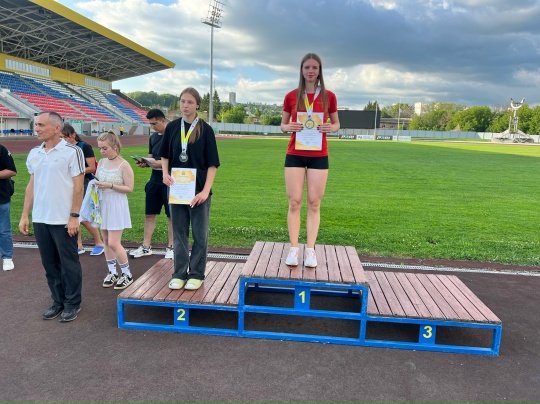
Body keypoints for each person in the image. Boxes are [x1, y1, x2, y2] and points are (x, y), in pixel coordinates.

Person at [19, 111, 85, 322]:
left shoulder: (72, 152)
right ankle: (58, 301)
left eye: (41, 125)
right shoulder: (34, 153)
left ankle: (72, 303)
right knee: (49, 264)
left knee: (68, 263)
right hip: (40, 218)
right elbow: (31, 185)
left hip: (63, 219)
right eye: (35, 125)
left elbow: (78, 186)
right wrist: (25, 215)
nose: (36, 128)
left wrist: (74, 216)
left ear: (57, 128)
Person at [280, 53, 340, 268]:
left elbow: (336, 124)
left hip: (319, 155)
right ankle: (294, 248)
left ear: (319, 70)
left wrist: (330, 127)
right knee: (294, 202)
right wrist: (289, 127)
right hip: (295, 153)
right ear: (302, 70)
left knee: (314, 203)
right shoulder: (291, 96)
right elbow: (283, 125)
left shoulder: (329, 96)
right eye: (307, 67)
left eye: (315, 67)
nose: (311, 71)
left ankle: (311, 250)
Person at [160, 87, 220, 291]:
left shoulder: (205, 130)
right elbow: (165, 155)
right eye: (182, 101)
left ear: (197, 105)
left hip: (199, 191)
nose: (185, 105)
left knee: (199, 235)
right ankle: (179, 273)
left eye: (190, 102)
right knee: (179, 234)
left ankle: (196, 274)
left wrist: (205, 191)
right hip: (177, 189)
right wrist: (165, 173)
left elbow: (212, 164)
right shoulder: (172, 127)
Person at [130, 109, 174, 259]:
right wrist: (145, 163)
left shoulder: (173, 136)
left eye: (154, 123)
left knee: (171, 215)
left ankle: (172, 247)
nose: (153, 127)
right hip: (154, 180)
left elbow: (174, 159)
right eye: (150, 124)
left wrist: (158, 163)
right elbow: (151, 157)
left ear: (163, 120)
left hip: (169, 180)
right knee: (149, 214)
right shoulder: (153, 137)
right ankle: (146, 246)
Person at [94, 131, 135, 289]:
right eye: (100, 148)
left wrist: (110, 185)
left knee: (113, 242)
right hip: (103, 203)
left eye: (105, 148)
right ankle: (112, 272)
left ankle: (127, 274)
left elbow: (129, 188)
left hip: (116, 204)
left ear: (115, 147)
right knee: (106, 240)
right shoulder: (102, 162)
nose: (102, 151)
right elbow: (97, 179)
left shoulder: (123, 165)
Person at [61, 124, 105, 256]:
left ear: (73, 135)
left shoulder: (84, 147)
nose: (63, 140)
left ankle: (99, 242)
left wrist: (75, 171)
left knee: (82, 215)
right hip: (68, 183)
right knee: (72, 214)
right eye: (61, 137)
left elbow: (92, 167)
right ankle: (78, 244)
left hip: (83, 182)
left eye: (65, 137)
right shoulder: (63, 149)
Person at [0, 143, 17, 271]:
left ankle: (7, 257)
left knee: (3, 229)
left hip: (1, 196)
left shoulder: (1, 150)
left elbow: (12, 170)